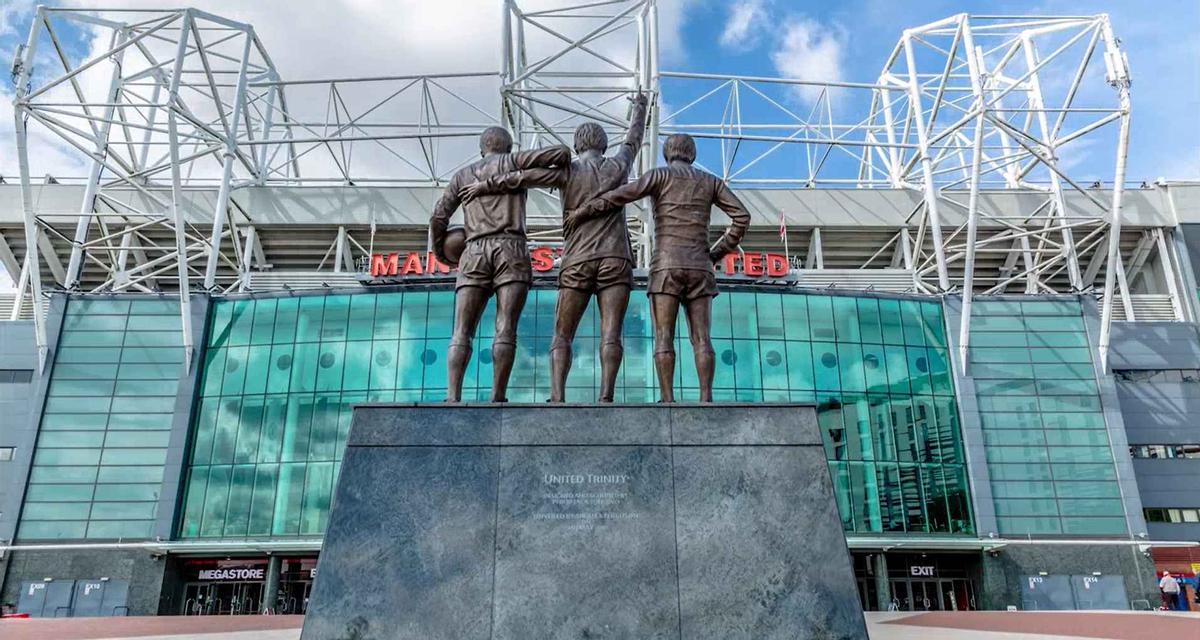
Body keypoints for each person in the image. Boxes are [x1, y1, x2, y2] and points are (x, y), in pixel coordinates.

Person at [459, 93, 650, 402]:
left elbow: (522, 178)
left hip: (576, 261)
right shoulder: (618, 166)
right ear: (602, 145)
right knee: (611, 332)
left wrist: (485, 185)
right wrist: (640, 107)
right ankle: (606, 395)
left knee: (563, 334)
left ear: (577, 146)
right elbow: (634, 139)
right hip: (615, 258)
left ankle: (557, 396)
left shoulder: (567, 172)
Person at [568, 133, 750, 402]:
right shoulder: (711, 181)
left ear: (667, 154)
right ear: (693, 154)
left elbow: (618, 196)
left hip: (666, 266)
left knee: (664, 336)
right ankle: (705, 398)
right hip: (700, 265)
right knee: (702, 338)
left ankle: (667, 398)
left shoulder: (659, 176)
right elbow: (742, 217)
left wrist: (584, 210)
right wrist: (716, 253)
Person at [429, 128, 570, 402]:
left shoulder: (463, 175)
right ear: (507, 147)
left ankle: (452, 397)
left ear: (482, 149)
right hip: (511, 248)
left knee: (461, 330)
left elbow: (438, 217)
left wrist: (441, 253)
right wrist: (512, 175)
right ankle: (497, 396)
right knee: (505, 327)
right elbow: (562, 154)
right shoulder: (514, 161)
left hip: (474, 251)